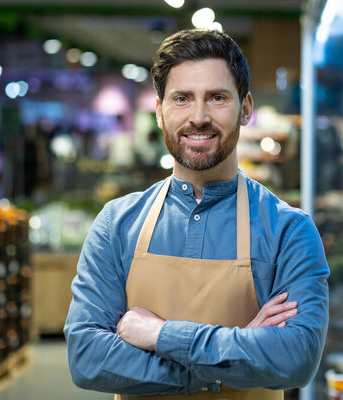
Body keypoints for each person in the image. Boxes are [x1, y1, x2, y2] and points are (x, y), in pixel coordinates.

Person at [64, 29, 329, 399]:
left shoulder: (289, 231)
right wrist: (222, 367)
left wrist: (159, 335)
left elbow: (294, 360)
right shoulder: (117, 224)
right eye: (182, 98)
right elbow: (87, 358)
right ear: (159, 112)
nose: (199, 116)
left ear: (246, 109)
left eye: (217, 97)